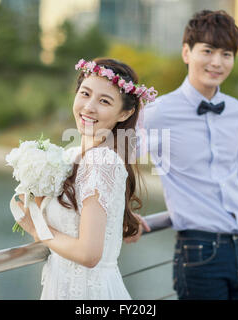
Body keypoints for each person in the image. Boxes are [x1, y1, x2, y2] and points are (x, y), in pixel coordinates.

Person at [130, 10, 238, 300]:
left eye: (227, 54)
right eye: (207, 51)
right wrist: (121, 211)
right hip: (199, 253)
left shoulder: (236, 111)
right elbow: (115, 158)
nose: (217, 62)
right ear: (186, 52)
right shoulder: (159, 112)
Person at [12, 58, 156, 299]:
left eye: (104, 101)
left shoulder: (101, 162)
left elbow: (89, 254)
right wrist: (119, 218)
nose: (89, 107)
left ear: (125, 113)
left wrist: (40, 232)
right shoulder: (70, 157)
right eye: (85, 93)